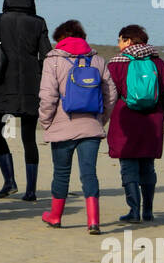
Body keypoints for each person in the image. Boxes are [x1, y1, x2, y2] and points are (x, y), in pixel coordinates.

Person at [37, 20, 117, 232]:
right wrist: (101, 120)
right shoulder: (98, 60)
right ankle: (93, 220)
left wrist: (46, 122)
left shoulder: (52, 61)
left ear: (60, 39)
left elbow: (47, 96)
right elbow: (111, 95)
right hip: (91, 126)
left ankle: (55, 216)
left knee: (61, 173)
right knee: (89, 173)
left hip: (61, 127)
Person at [0, 0, 48, 201]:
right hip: (32, 88)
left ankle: (9, 181)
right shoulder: (38, 22)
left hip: (2, 87)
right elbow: (47, 56)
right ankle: (31, 191)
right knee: (28, 137)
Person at [105, 24, 164, 226]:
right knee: (148, 167)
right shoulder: (159, 63)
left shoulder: (116, 64)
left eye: (120, 40)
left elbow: (109, 95)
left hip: (125, 121)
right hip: (151, 123)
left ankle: (133, 210)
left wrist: (106, 116)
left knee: (128, 167)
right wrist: (162, 112)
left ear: (128, 41)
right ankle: (148, 210)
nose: (118, 44)